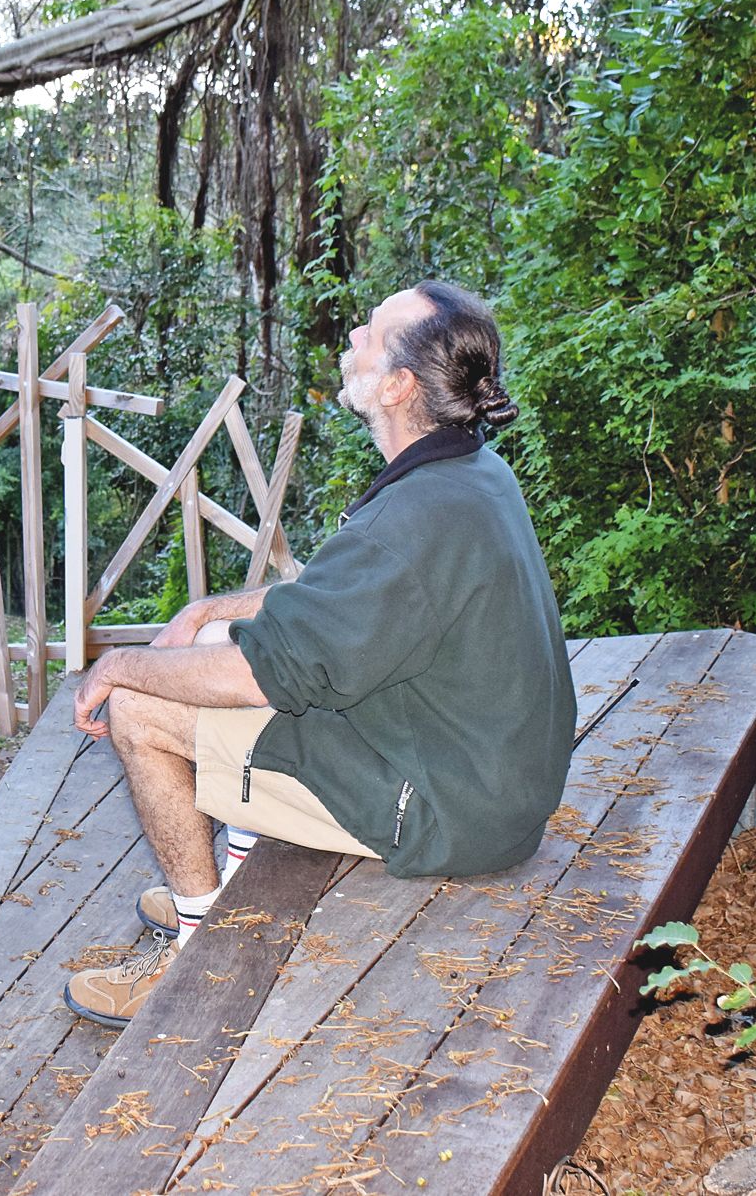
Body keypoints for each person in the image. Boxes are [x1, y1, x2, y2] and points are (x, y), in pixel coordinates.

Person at [62, 281, 574, 1028]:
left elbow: (255, 674)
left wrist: (115, 667)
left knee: (142, 710)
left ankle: (195, 957)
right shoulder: (462, 474)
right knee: (210, 642)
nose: (353, 338)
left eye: (369, 334)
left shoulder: (414, 517)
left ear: (397, 386)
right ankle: (228, 882)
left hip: (450, 809)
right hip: (478, 771)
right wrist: (210, 609)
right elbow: (334, 604)